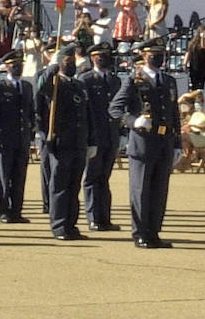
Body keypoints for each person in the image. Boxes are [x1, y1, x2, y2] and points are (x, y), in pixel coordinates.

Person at [109, 38, 181, 248]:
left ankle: (154, 231)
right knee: (141, 189)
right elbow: (115, 109)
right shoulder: (133, 80)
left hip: (164, 141)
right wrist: (133, 121)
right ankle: (140, 232)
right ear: (144, 55)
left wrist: (177, 143)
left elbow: (174, 113)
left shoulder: (168, 81)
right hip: (143, 142)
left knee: (159, 189)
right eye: (153, 53)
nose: (157, 57)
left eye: (160, 53)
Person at [37, 45, 93, 240]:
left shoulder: (79, 85)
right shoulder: (53, 84)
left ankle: (71, 224)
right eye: (66, 61)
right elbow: (41, 87)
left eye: (72, 61)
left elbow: (87, 115)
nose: (70, 64)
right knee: (59, 186)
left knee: (73, 186)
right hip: (60, 142)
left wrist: (90, 141)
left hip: (78, 142)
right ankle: (59, 225)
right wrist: (51, 67)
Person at [0, 51, 34, 224]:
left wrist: (32, 132)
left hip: (22, 138)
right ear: (7, 67)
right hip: (4, 138)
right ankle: (3, 209)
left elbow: (30, 112)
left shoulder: (26, 86)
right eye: (14, 64)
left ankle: (17, 210)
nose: (18, 67)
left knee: (19, 175)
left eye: (20, 64)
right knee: (3, 176)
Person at [78, 43, 121, 232]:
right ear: (92, 58)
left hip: (111, 136)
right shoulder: (85, 79)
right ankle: (93, 217)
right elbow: (84, 112)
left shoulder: (115, 80)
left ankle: (105, 217)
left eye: (106, 55)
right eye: (100, 55)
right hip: (94, 137)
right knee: (92, 178)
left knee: (104, 177)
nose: (104, 58)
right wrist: (88, 139)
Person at [185, 25, 205, 92]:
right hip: (195, 67)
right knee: (195, 86)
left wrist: (203, 39)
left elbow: (203, 47)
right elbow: (188, 53)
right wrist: (184, 64)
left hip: (203, 67)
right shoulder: (193, 44)